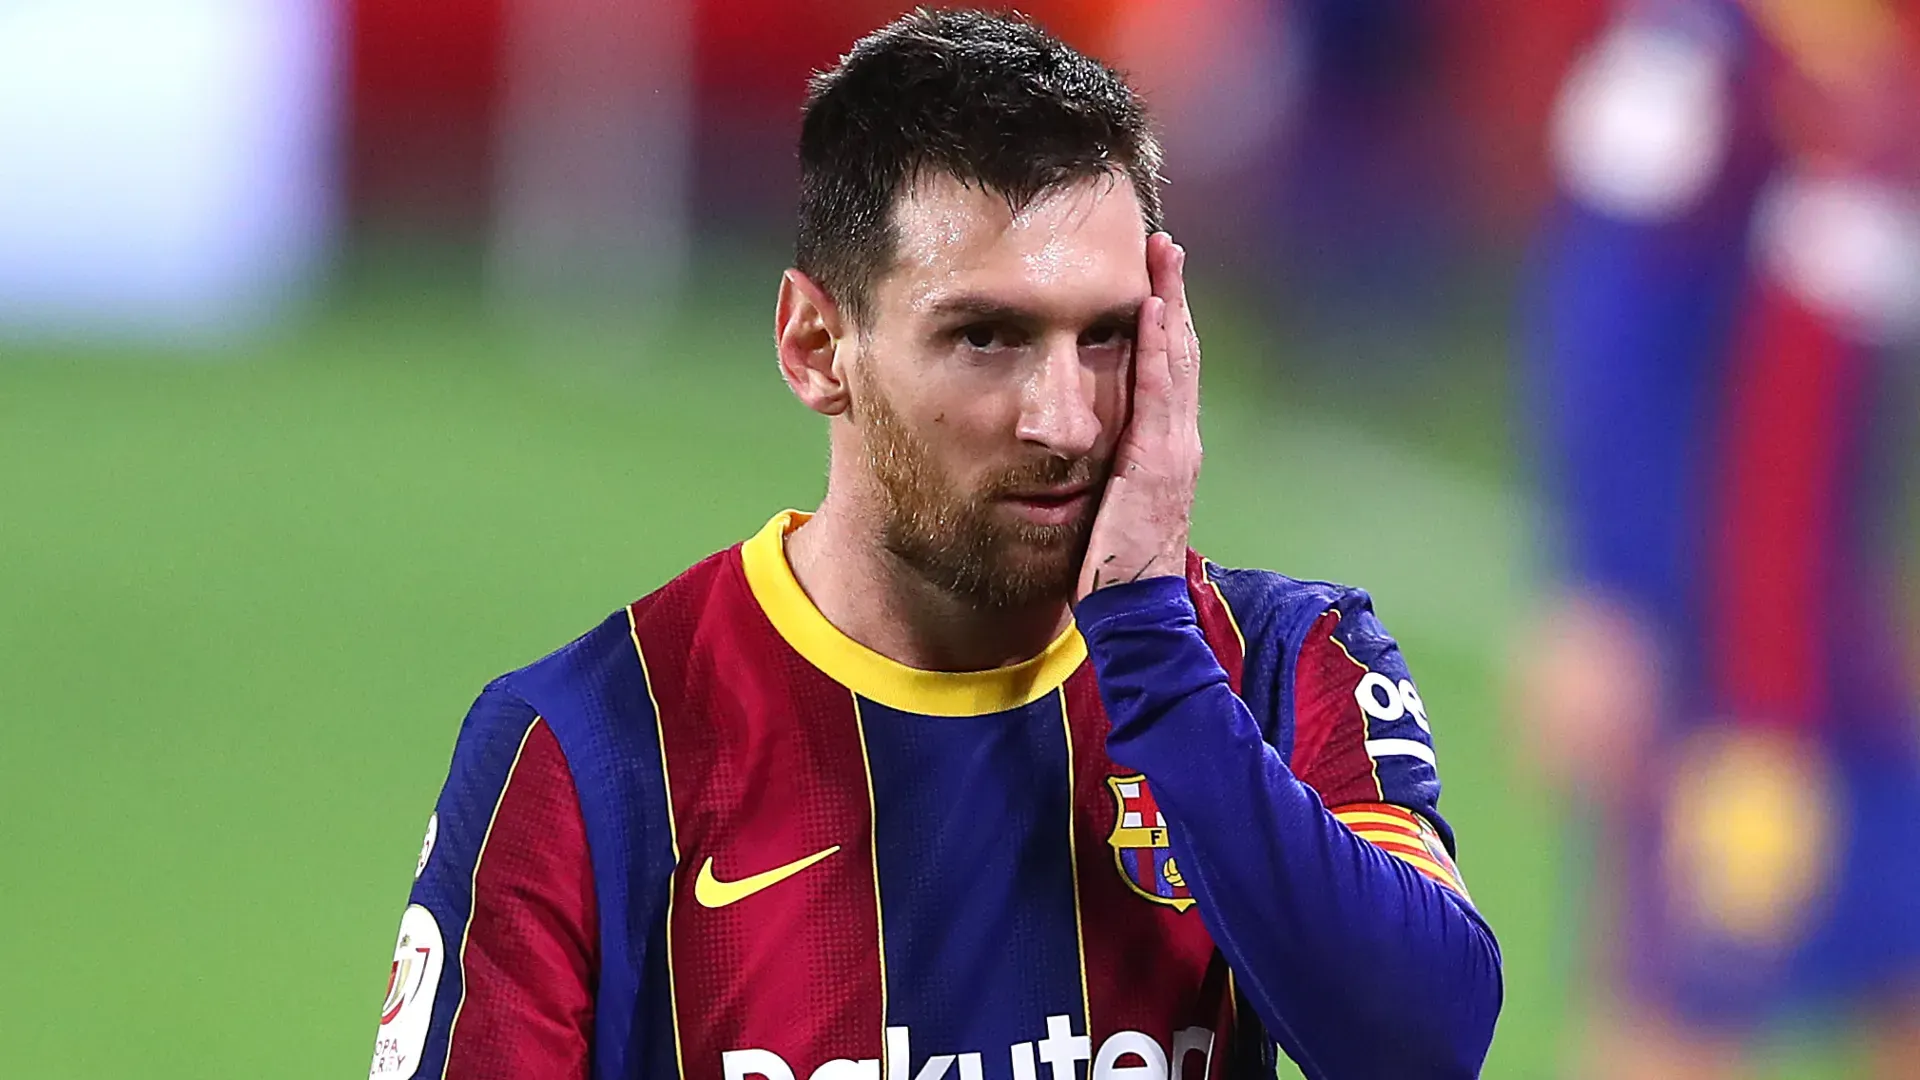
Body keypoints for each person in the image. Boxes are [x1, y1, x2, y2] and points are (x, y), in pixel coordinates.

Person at [370, 10, 1502, 1080]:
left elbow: (1425, 1043)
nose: (1062, 419)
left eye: (1107, 336)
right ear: (819, 347)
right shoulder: (595, 745)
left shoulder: (1272, 663)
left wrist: (1153, 655)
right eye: (986, 337)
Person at [1520, 1, 1920, 1075]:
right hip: (1700, 621)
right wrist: (1599, 588)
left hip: (1837, 626)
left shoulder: (1868, 55)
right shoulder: (1694, 51)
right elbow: (1601, 302)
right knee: (1686, 987)